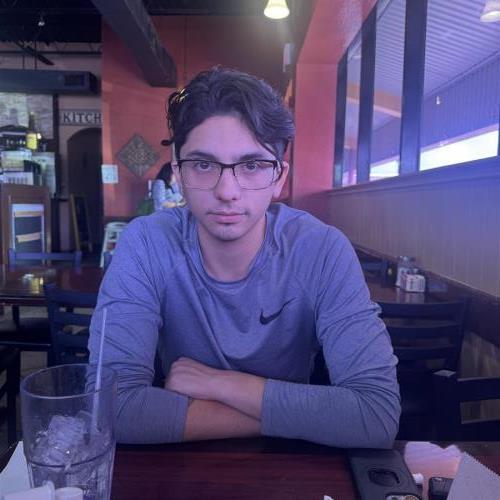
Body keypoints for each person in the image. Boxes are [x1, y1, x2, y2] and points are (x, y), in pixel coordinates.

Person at [89, 67, 400, 447]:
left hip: (291, 467)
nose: (227, 191)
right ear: (179, 174)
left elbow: (375, 414)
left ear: (279, 178)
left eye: (252, 165)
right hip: (179, 465)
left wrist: (223, 384)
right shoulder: (146, 244)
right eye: (203, 164)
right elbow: (111, 408)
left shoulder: (322, 251)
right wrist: (298, 416)